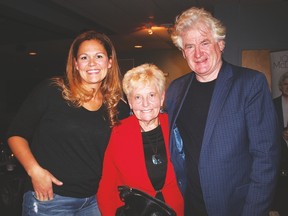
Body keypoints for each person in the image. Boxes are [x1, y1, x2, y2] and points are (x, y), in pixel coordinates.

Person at [165, 7, 280, 216]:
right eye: (189, 46)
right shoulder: (175, 89)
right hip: (189, 205)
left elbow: (266, 158)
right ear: (183, 53)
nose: (197, 53)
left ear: (221, 44)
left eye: (205, 42)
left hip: (234, 206)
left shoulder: (250, 84)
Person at [6, 30, 130, 215]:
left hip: (95, 200)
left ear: (110, 62)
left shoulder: (116, 105)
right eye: (84, 57)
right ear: (76, 64)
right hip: (50, 198)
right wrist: (35, 171)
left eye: (99, 56)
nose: (92, 64)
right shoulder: (52, 91)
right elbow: (15, 134)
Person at [97, 63, 184, 215]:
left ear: (162, 97)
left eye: (151, 95)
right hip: (134, 210)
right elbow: (106, 185)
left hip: (174, 208)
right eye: (138, 97)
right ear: (130, 102)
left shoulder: (176, 126)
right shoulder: (118, 132)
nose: (145, 104)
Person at [271, 72, 288, 215]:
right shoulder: (272, 104)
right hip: (279, 154)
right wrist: (280, 134)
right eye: (285, 84)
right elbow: (267, 128)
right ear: (281, 87)